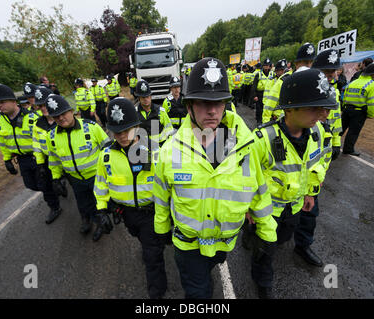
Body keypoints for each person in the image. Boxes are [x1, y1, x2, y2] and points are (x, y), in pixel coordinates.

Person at [153, 57, 276, 299]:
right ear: (189, 107)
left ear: (226, 105)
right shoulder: (169, 151)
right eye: (202, 102)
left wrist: (267, 233)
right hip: (188, 245)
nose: (212, 110)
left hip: (224, 243)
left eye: (218, 103)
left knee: (209, 273)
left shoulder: (245, 146)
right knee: (198, 294)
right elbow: (160, 192)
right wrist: (161, 228)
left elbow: (259, 191)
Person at [248, 69, 337, 299]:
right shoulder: (262, 139)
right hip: (266, 213)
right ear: (289, 109)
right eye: (314, 107)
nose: (323, 113)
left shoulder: (317, 132)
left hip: (294, 208)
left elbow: (315, 165)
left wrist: (310, 193)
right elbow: (246, 179)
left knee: (281, 241)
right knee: (264, 251)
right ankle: (263, 281)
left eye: (324, 107)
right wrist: (248, 209)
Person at [94, 97, 167, 298]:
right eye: (117, 132)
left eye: (127, 130)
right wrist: (101, 210)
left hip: (151, 214)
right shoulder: (106, 155)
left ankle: (157, 293)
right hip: (127, 214)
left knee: (152, 257)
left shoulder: (155, 151)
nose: (123, 136)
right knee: (142, 241)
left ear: (136, 126)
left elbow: (168, 183)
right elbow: (101, 184)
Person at [291, 49, 342, 268]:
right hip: (292, 156)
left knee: (310, 212)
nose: (331, 75)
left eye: (333, 71)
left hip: (317, 160)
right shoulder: (298, 84)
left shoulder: (334, 92)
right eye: (326, 70)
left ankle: (303, 245)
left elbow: (335, 120)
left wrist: (337, 142)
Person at [0, 83, 62, 222]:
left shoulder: (32, 118)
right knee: (31, 185)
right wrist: (6, 159)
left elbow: (43, 139)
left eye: (2, 102)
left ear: (13, 101)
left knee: (44, 184)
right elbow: (3, 142)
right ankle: (55, 188)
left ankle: (55, 207)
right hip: (22, 159)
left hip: (37, 157)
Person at [45, 94, 110, 237]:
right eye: (56, 116)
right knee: (84, 203)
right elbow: (54, 159)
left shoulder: (92, 127)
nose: (61, 118)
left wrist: (111, 172)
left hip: (96, 178)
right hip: (75, 180)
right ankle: (89, 220)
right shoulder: (51, 136)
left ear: (71, 111)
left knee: (99, 203)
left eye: (63, 114)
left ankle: (100, 224)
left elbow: (108, 151)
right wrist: (56, 178)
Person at [32, 86, 66, 224]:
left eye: (45, 104)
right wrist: (40, 164)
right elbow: (36, 145)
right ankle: (54, 207)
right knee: (45, 184)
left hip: (67, 159)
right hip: (49, 160)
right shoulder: (37, 125)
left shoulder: (63, 120)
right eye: (40, 105)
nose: (43, 108)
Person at [342, 62, 374, 156]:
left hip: (347, 109)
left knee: (340, 129)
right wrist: (370, 114)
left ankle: (328, 144)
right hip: (359, 112)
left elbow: (345, 96)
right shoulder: (372, 85)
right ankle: (348, 149)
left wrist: (344, 108)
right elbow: (372, 103)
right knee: (353, 132)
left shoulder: (354, 82)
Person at [134, 80, 173, 146]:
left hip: (161, 147)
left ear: (151, 97)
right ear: (139, 98)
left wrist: (167, 145)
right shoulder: (135, 113)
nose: (146, 99)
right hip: (143, 148)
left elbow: (169, 130)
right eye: (143, 97)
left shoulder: (160, 111)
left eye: (147, 96)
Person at [262, 59, 292, 123]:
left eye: (282, 70)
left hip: (282, 117)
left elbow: (271, 101)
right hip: (280, 116)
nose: (277, 73)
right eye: (278, 71)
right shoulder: (271, 81)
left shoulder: (284, 81)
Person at [252, 58, 274, 124]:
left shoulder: (273, 74)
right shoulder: (258, 74)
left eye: (268, 65)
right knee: (259, 109)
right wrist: (254, 95)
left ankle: (266, 121)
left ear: (270, 66)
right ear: (263, 66)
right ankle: (259, 121)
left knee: (268, 108)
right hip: (260, 94)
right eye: (265, 65)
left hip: (269, 94)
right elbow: (254, 86)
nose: (266, 67)